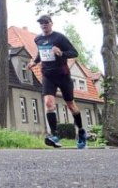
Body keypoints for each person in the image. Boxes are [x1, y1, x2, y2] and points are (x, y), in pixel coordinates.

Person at [27, 14, 87, 149]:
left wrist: (61, 53)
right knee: (48, 103)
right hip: (48, 75)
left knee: (71, 105)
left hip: (62, 75)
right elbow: (40, 53)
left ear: (51, 23)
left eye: (46, 22)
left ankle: (82, 131)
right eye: (41, 23)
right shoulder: (38, 39)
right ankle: (54, 135)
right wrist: (34, 62)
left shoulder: (59, 37)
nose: (44, 25)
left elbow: (74, 52)